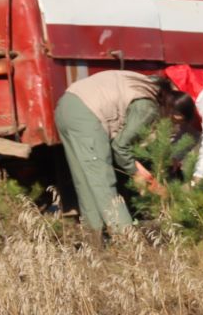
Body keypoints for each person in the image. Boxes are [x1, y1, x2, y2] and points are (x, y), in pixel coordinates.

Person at [53, 70, 194, 239]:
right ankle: (130, 243)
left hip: (66, 106)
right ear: (175, 114)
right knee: (103, 181)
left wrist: (140, 170)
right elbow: (120, 146)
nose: (174, 127)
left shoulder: (150, 88)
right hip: (87, 114)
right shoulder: (149, 108)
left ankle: (94, 243)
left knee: (85, 181)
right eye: (176, 122)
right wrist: (137, 174)